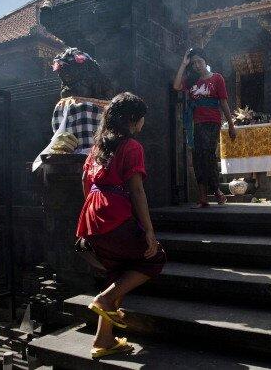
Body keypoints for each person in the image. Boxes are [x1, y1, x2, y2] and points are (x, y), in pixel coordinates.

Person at [75, 92, 166, 358]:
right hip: (113, 213)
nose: (142, 125)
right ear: (134, 121)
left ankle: (103, 341)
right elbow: (137, 191)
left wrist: (95, 213)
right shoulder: (131, 146)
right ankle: (103, 300)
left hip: (92, 214)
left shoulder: (97, 147)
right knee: (155, 258)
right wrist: (149, 231)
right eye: (142, 120)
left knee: (118, 275)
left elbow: (84, 182)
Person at [173, 48, 237, 208]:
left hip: (211, 122)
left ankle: (216, 191)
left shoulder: (217, 78)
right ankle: (203, 197)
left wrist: (231, 124)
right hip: (194, 124)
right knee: (197, 158)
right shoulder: (191, 81)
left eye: (199, 61)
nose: (196, 65)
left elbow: (223, 103)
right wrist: (183, 63)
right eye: (193, 63)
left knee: (207, 155)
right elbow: (176, 86)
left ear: (206, 61)